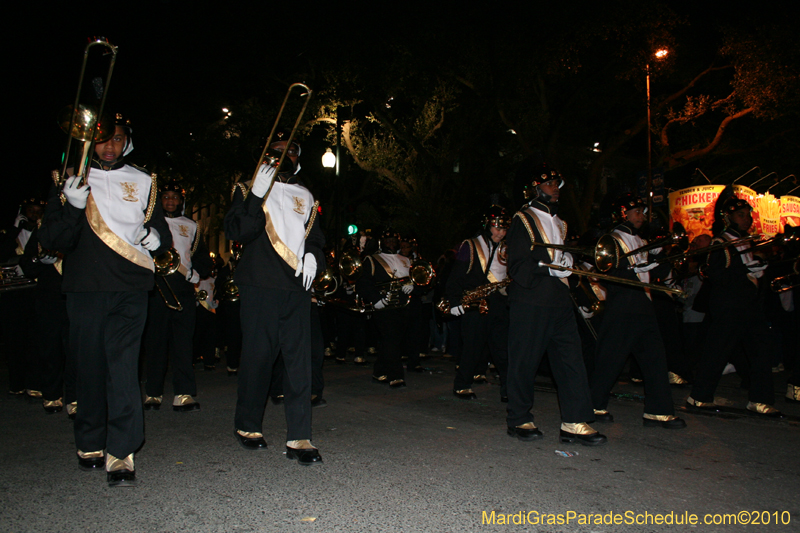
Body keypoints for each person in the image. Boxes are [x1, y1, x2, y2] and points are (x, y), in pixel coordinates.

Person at [38, 114, 172, 486]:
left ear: (127, 141)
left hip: (131, 284)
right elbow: (53, 238)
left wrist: (158, 239)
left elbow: (159, 225)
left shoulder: (145, 179)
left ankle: (122, 451)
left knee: (124, 366)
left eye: (117, 139)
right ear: (88, 142)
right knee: (90, 365)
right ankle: (90, 439)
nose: (109, 147)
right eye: (102, 140)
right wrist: (73, 205)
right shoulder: (66, 178)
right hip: (86, 285)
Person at [224, 132, 325, 465]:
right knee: (258, 357)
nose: (285, 158)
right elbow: (239, 231)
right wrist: (254, 194)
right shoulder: (244, 187)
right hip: (259, 284)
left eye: (291, 153)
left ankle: (300, 435)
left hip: (296, 286)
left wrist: (313, 256)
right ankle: (248, 424)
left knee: (299, 362)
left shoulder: (307, 195)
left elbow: (315, 239)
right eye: (277, 153)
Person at [505, 164, 606, 445]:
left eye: (556, 184)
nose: (554, 188)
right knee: (525, 361)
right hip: (531, 300)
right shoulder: (522, 219)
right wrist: (547, 267)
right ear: (535, 188)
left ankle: (574, 420)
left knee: (571, 360)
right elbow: (517, 264)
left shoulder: (561, 223)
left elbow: (563, 262)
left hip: (559, 301)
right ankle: (519, 418)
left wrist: (571, 273)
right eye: (549, 184)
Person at [588, 193, 686, 429]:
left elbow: (658, 271)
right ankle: (592, 405)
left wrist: (663, 256)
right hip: (622, 306)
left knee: (655, 359)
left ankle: (658, 410)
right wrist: (634, 268)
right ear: (623, 214)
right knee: (609, 359)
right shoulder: (611, 239)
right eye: (636, 211)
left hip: (643, 305)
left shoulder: (641, 241)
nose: (642, 215)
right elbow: (606, 277)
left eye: (642, 211)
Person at [686, 194, 782, 416]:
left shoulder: (747, 240)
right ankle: (699, 397)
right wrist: (746, 271)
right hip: (729, 307)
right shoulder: (720, 243)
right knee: (717, 352)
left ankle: (760, 400)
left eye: (748, 215)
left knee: (760, 351)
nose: (747, 219)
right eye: (741, 215)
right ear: (728, 218)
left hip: (749, 306)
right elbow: (717, 277)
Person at [143, 181, 212, 412]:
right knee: (155, 342)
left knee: (183, 342)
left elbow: (203, 258)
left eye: (175, 197)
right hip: (156, 288)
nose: (170, 201)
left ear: (181, 201)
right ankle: (153, 393)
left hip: (182, 287)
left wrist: (196, 273)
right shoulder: (147, 224)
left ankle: (183, 393)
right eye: (166, 197)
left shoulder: (191, 225)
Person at [446, 205, 510, 402]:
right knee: (472, 347)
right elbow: (456, 275)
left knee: (503, 349)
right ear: (486, 226)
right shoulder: (471, 245)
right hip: (476, 303)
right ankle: (462, 384)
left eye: (504, 229)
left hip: (500, 303)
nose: (500, 233)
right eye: (496, 228)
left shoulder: (507, 247)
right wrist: (454, 300)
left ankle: (509, 389)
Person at [355, 228, 417, 388]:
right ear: (382, 242)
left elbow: (414, 280)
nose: (391, 243)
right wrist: (375, 299)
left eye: (394, 241)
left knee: (391, 341)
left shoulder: (406, 260)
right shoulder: (372, 259)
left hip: (402, 307)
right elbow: (362, 283)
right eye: (388, 241)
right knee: (391, 340)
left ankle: (379, 372)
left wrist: (412, 285)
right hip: (383, 307)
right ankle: (395, 375)